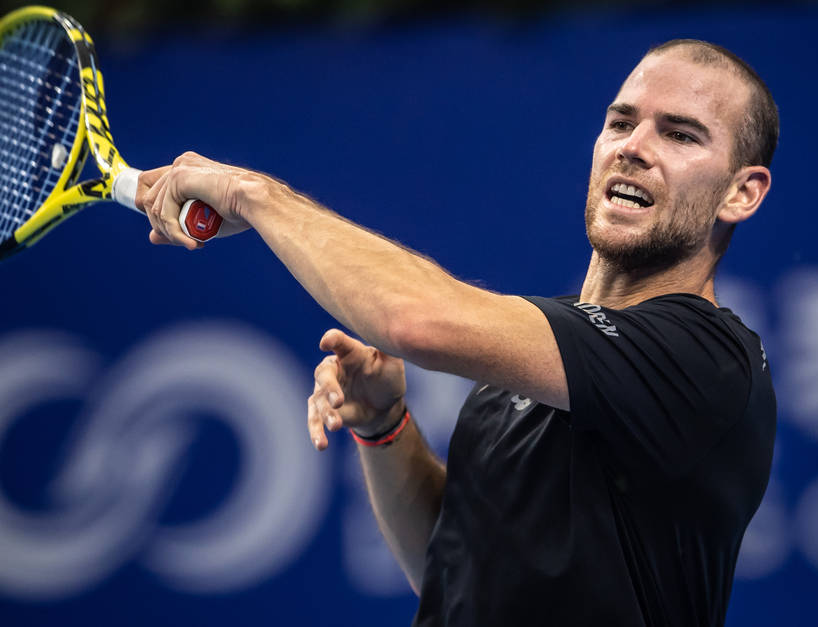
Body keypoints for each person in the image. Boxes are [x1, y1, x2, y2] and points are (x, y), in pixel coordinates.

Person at [136, 39, 778, 626]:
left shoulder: (707, 358)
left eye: (681, 135)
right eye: (620, 122)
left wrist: (253, 195)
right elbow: (453, 572)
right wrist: (384, 428)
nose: (632, 146)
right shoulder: (531, 365)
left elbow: (415, 321)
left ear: (741, 194)